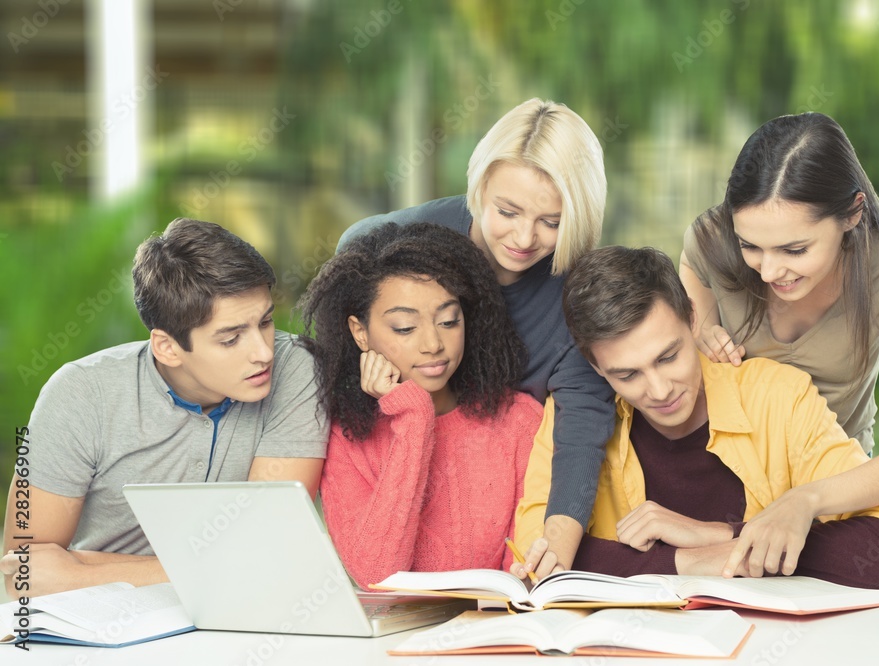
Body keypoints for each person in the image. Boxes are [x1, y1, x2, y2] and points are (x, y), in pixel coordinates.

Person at [513, 246, 879, 589]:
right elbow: (540, 557)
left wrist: (720, 536)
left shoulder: (779, 396)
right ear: (595, 366)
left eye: (668, 357)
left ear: (692, 318)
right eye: (627, 374)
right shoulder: (574, 416)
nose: (658, 391)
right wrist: (691, 562)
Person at [336, 98, 615, 572]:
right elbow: (351, 264)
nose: (525, 238)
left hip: (503, 498)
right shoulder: (408, 238)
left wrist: (560, 535)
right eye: (507, 211)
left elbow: (583, 422)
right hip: (395, 474)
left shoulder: (576, 296)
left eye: (551, 222)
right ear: (481, 185)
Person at [1, 218, 329, 597]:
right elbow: (22, 571)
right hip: (106, 626)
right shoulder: (78, 393)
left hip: (243, 616)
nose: (263, 352)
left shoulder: (298, 367)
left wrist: (82, 567)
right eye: (231, 339)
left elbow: (264, 550)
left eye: (266, 321)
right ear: (168, 347)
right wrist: (210, 570)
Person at [679, 112, 879, 577]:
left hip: (832, 489)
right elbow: (682, 321)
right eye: (750, 246)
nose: (767, 271)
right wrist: (699, 331)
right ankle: (731, 537)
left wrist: (805, 501)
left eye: (794, 250)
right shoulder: (710, 241)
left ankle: (730, 541)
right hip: (723, 479)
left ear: (853, 213)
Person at [299, 222, 543, 590]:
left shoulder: (519, 421)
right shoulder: (344, 436)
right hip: (389, 644)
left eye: (448, 321)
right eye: (404, 328)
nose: (433, 343)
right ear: (359, 331)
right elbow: (377, 576)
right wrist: (413, 416)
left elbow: (523, 579)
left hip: (496, 637)